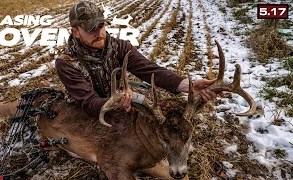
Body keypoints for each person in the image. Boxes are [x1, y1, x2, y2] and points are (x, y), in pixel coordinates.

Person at [55, 1, 221, 116]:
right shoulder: (66, 62)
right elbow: (89, 103)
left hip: (119, 96)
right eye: (91, 29)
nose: (99, 34)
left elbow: (149, 70)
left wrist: (186, 85)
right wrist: (114, 102)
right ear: (75, 32)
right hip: (94, 108)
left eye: (101, 26)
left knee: (156, 105)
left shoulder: (119, 47)